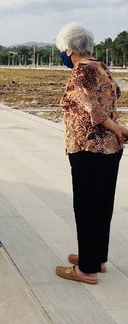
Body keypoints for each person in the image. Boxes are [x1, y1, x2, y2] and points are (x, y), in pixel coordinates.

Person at [54, 23, 128, 285]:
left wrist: (114, 126)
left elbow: (90, 106)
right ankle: (96, 258)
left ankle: (86, 270)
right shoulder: (101, 67)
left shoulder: (80, 71)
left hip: (89, 148)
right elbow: (115, 94)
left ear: (71, 49)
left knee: (86, 207)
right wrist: (116, 129)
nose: (63, 54)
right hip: (110, 149)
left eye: (62, 50)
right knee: (102, 206)